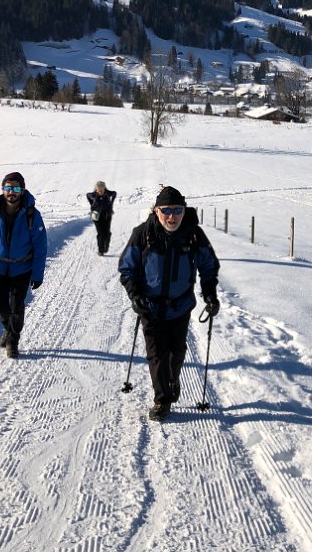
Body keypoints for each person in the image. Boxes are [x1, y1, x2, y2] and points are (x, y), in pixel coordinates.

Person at [118, 185, 220, 421]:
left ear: (184, 211)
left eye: (177, 210)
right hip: (150, 307)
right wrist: (135, 295)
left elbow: (208, 266)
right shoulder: (143, 234)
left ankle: (172, 380)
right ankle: (162, 399)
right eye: (166, 210)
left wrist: (210, 295)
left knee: (176, 352)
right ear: (156, 211)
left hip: (180, 306)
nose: (172, 216)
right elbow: (127, 268)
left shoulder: (194, 235)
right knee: (157, 354)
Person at [0, 171, 48, 359]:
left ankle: (13, 340)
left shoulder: (32, 215)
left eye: (15, 188)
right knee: (0, 306)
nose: (11, 192)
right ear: (2, 189)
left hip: (22, 269)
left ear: (22, 190)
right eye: (7, 188)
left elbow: (40, 246)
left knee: (16, 307)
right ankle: (9, 328)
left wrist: (37, 274)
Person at [86, 180, 117, 255]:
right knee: (100, 233)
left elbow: (114, 193)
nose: (100, 191)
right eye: (98, 190)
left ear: (104, 189)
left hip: (107, 215)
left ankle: (106, 247)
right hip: (97, 216)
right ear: (96, 189)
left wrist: (111, 203)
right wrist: (91, 204)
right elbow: (87, 195)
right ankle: (101, 250)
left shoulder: (108, 193)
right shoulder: (93, 195)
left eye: (101, 190)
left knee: (107, 232)